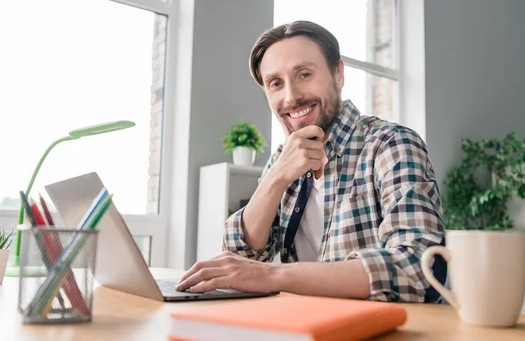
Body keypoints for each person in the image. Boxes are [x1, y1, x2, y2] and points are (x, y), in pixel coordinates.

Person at [177, 21, 446, 302]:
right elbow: (239, 258)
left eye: (304, 74)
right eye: (276, 84)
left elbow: (419, 267)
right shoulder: (282, 162)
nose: (291, 96)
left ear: (338, 74)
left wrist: (273, 276)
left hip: (387, 337)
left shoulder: (391, 144)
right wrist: (276, 178)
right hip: (306, 329)